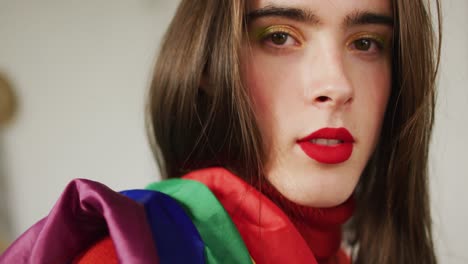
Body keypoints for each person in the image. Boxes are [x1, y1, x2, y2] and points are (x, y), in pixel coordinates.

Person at [1, 0, 441, 263]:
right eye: (280, 36)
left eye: (365, 43)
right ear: (210, 65)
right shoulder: (129, 254)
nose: (337, 85)